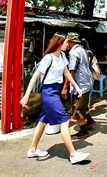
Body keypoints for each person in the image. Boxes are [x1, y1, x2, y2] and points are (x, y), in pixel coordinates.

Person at [20, 33, 89, 164]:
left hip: (55, 92)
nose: (67, 44)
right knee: (64, 120)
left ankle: (32, 150)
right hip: (48, 93)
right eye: (65, 42)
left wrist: (76, 87)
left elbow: (66, 72)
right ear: (59, 43)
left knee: (42, 122)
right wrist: (26, 95)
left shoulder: (62, 55)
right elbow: (35, 77)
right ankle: (73, 154)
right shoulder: (48, 58)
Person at [62, 32, 95, 140]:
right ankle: (90, 121)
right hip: (87, 82)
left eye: (67, 41)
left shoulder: (73, 53)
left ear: (71, 42)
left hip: (79, 85)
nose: (66, 44)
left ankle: (83, 131)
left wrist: (65, 87)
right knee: (83, 105)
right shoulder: (83, 50)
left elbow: (71, 72)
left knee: (78, 109)